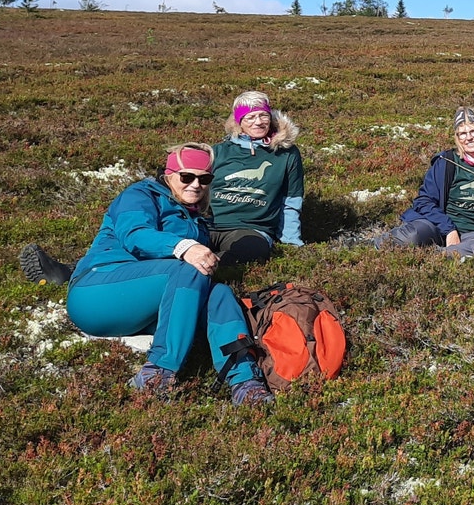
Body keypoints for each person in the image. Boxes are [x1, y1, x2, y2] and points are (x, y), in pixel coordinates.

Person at [63, 144, 273, 404]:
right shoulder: (141, 195)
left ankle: (244, 381)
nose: (195, 184)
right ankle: (158, 374)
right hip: (96, 292)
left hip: (143, 309)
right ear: (169, 174)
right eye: (186, 177)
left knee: (219, 293)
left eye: (204, 179)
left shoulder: (197, 220)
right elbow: (135, 234)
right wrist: (185, 247)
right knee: (189, 268)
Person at [379, 107, 474, 261]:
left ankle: (432, 257)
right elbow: (423, 201)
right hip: (438, 226)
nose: (469, 138)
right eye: (462, 133)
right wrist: (449, 229)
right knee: (413, 236)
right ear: (457, 137)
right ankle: (371, 244)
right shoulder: (446, 162)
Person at [208, 91, 305, 264]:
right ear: (239, 122)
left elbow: (291, 200)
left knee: (248, 254)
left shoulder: (286, 154)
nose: (258, 122)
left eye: (263, 115)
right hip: (209, 225)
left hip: (252, 229)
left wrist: (291, 243)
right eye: (250, 117)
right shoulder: (219, 151)